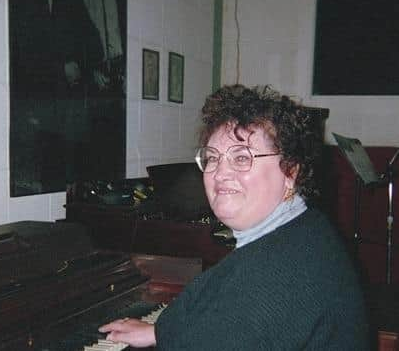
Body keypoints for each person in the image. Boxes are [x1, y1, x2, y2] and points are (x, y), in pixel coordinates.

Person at [100, 84, 369, 349]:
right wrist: (159, 332)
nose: (220, 173)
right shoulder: (304, 230)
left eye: (241, 158)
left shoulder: (277, 275)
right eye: (213, 158)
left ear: (290, 172)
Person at [8, 0, 103, 194]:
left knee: (57, 185)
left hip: (58, 116)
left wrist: (76, 63)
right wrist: (58, 68)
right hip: (28, 105)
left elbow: (94, 43)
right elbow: (16, 45)